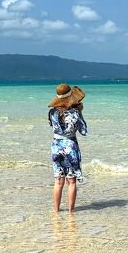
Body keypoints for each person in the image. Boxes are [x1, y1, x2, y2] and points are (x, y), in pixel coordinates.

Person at [48, 83, 88, 212]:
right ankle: (71, 212)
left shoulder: (52, 112)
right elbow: (84, 131)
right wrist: (79, 112)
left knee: (58, 181)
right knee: (71, 181)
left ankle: (56, 211)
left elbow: (53, 126)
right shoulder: (75, 113)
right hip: (70, 146)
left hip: (56, 146)